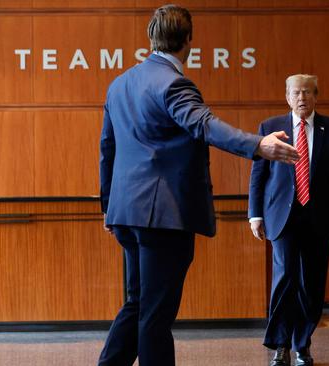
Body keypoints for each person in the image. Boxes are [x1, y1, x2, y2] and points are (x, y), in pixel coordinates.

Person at [98, 5, 299, 366]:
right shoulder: (173, 83)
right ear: (189, 40)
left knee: (138, 302)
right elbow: (205, 125)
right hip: (163, 216)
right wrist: (259, 144)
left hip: (126, 213)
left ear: (151, 37)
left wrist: (108, 207)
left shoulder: (120, 84)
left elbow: (107, 150)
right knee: (155, 313)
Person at [248, 74, 329, 366]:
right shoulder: (271, 128)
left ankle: (302, 342)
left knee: (313, 284)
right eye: (296, 92)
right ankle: (281, 345)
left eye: (307, 92)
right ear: (287, 96)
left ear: (316, 96)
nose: (302, 98)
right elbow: (259, 175)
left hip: (319, 216)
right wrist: (254, 213)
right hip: (282, 215)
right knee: (285, 278)